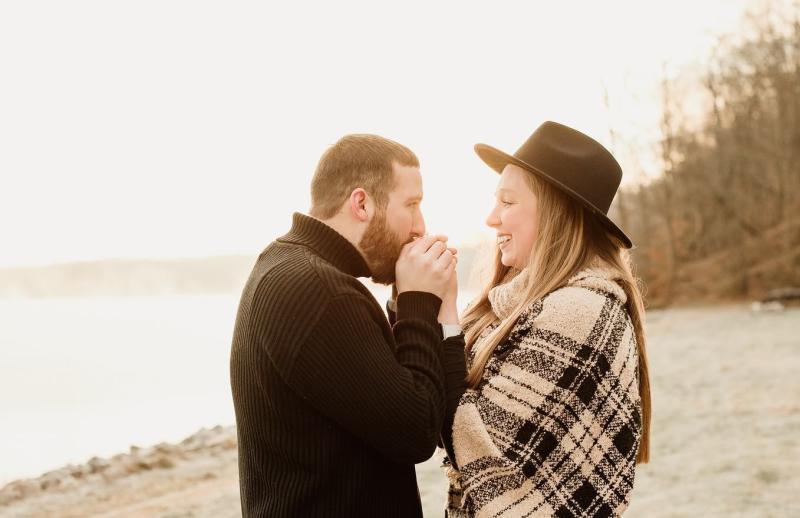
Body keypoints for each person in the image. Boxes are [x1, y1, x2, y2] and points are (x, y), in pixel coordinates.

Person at [229, 134, 466, 518]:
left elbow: (415, 402)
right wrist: (417, 302)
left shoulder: (287, 265)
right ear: (361, 203)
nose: (421, 226)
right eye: (412, 204)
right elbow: (417, 432)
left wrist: (430, 306)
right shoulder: (319, 291)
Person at [442, 121, 652, 518]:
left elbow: (482, 450)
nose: (491, 218)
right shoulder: (529, 306)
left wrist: (443, 314)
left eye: (507, 202)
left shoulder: (579, 313)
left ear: (555, 212)